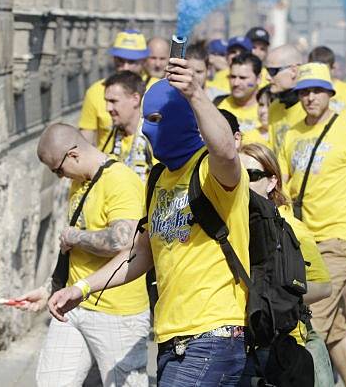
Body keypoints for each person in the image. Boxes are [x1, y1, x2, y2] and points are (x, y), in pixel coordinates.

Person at [48, 57, 250, 385]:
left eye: (156, 119)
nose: (147, 129)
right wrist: (82, 289)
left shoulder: (210, 173)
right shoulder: (158, 179)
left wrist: (196, 94)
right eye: (146, 120)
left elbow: (227, 152)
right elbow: (141, 253)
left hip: (215, 333)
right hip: (170, 337)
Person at [13, 123, 149, 387]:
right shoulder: (80, 180)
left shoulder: (119, 179)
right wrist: (49, 289)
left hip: (117, 313)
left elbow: (125, 239)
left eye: (58, 169)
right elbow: (72, 250)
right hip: (73, 308)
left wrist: (76, 237)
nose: (60, 176)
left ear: (73, 154)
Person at [278, 62, 346, 387]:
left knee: (310, 326)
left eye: (317, 91)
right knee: (333, 329)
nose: (310, 98)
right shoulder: (293, 132)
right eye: (304, 92)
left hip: (337, 239)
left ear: (330, 93)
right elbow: (281, 185)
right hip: (302, 241)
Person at [237, 143, 333, 387]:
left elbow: (323, 286)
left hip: (281, 348)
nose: (243, 182)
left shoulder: (292, 229)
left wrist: (277, 296)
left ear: (272, 182)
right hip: (235, 343)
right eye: (237, 174)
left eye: (252, 175)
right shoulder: (230, 225)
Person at [79, 29, 151, 147]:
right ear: (113, 59)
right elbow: (85, 139)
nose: (125, 67)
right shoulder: (95, 91)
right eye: (120, 61)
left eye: (132, 61)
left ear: (143, 61)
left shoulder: (158, 89)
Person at [99, 71, 153, 182]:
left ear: (135, 99)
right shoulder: (110, 138)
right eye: (107, 101)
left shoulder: (154, 138)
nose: (108, 108)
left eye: (113, 101)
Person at [263, 44, 304, 154]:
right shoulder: (274, 107)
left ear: (293, 71)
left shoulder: (311, 108)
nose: (267, 77)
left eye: (272, 71)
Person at [215, 53, 263, 138]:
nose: (236, 83)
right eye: (233, 77)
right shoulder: (217, 104)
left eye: (243, 78)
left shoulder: (269, 110)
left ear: (258, 79)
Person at [307, 46, 346, 112]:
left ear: (333, 67)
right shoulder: (303, 91)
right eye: (315, 68)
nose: (319, 72)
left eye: (323, 69)